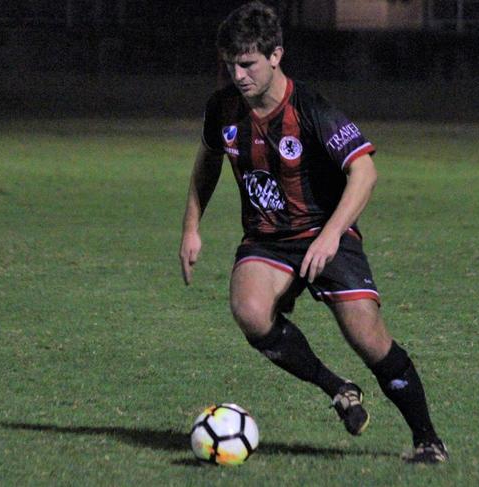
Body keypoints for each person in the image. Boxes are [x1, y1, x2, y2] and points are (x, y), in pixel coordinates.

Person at [179, 1, 448, 463]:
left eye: (247, 64)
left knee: (368, 339)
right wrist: (191, 229)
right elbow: (207, 162)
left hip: (328, 231)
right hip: (267, 238)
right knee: (249, 309)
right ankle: (338, 389)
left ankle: (428, 440)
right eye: (230, 65)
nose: (238, 75)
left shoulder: (310, 108)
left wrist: (330, 236)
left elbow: (364, 173)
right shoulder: (221, 108)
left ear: (276, 55)